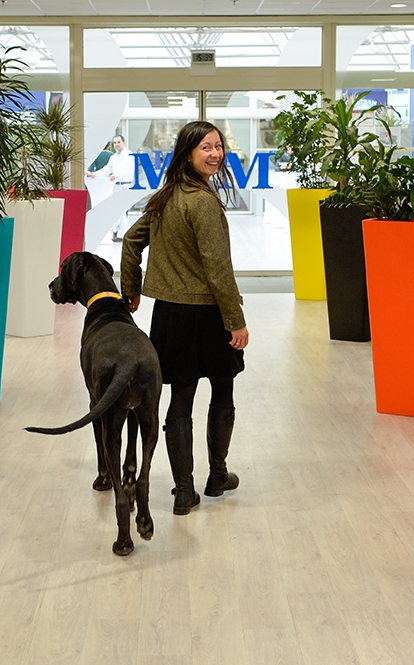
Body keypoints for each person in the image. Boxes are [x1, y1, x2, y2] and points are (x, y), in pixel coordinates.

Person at [121, 120, 249, 516]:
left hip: (170, 316)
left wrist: (131, 288)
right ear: (188, 154)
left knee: (181, 395)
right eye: (206, 147)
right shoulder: (203, 202)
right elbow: (218, 268)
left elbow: (131, 241)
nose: (215, 154)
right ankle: (217, 476)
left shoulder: (166, 197)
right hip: (208, 314)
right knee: (222, 389)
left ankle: (183, 491)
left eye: (218, 146)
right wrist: (236, 319)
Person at [101, 135, 135, 241]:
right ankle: (117, 231)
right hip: (115, 185)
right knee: (117, 209)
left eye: (118, 142)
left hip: (125, 185)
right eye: (115, 143)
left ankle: (121, 233)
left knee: (121, 209)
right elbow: (107, 168)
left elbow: (124, 168)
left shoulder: (129, 154)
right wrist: (95, 174)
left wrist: (116, 175)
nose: (116, 145)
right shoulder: (114, 157)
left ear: (124, 143)